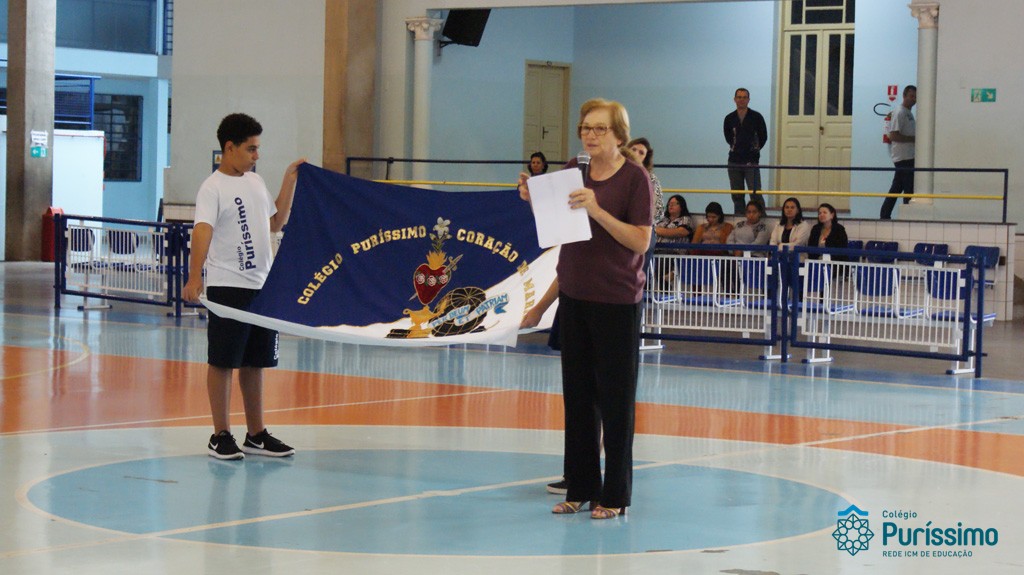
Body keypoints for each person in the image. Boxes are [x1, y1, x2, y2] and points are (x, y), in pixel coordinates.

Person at [517, 98, 652, 520]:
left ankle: (614, 495)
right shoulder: (572, 173)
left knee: (616, 401)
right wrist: (534, 199)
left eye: (599, 129)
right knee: (577, 400)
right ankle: (580, 486)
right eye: (585, 128)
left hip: (616, 303)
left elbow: (640, 241)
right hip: (575, 299)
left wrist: (596, 209)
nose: (590, 135)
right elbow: (565, 240)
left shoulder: (635, 179)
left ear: (618, 135)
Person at [182, 113, 305, 460]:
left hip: (262, 287)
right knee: (223, 361)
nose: (256, 155)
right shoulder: (212, 188)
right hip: (229, 286)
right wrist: (195, 276)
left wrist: (289, 181)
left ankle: (256, 434)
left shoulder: (256, 183)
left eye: (258, 148)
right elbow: (202, 230)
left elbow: (275, 223)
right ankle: (220, 434)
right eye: (251, 149)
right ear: (229, 147)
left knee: (256, 362)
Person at [724, 88, 768, 215]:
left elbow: (763, 137)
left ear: (748, 100)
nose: (741, 100)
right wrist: (737, 148)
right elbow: (728, 137)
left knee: (755, 193)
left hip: (751, 161)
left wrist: (753, 150)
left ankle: (762, 219)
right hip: (734, 161)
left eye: (744, 97)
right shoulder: (729, 118)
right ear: (735, 99)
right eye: (739, 97)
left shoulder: (756, 117)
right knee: (737, 195)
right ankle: (739, 219)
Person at [880, 85, 917, 220]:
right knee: (908, 189)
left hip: (908, 156)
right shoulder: (900, 112)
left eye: (915, 97)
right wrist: (913, 139)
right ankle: (906, 218)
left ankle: (885, 216)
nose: (913, 99)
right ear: (904, 96)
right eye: (911, 96)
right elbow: (894, 135)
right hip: (903, 157)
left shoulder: (908, 113)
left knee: (897, 188)